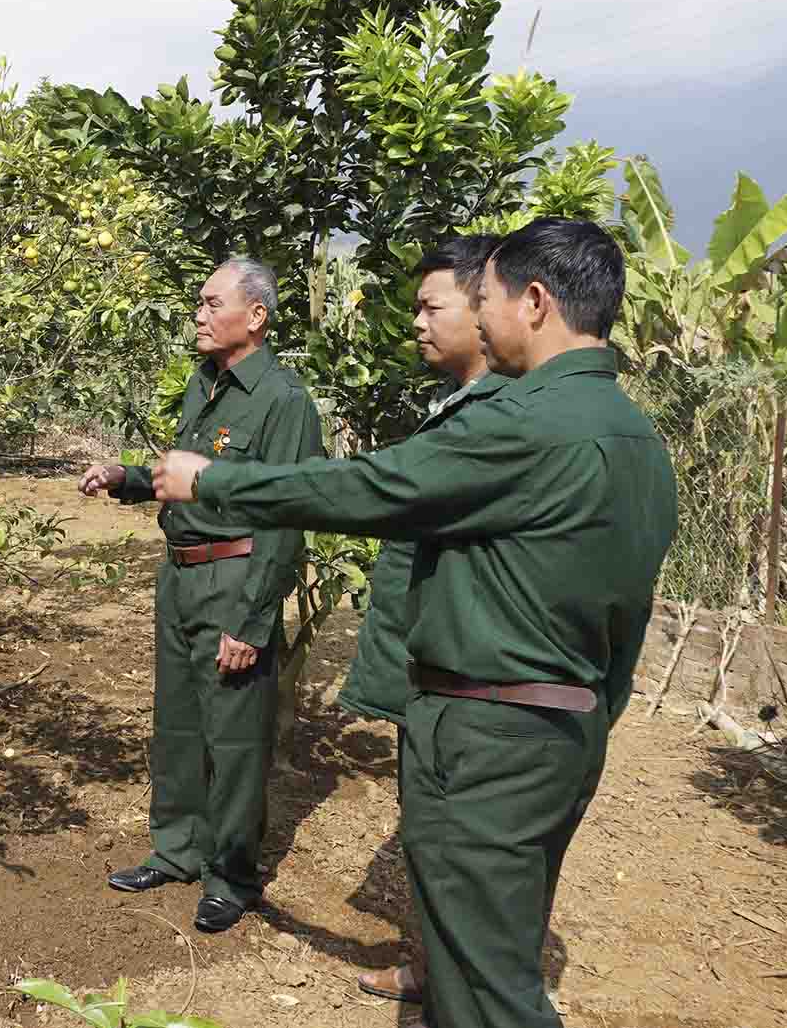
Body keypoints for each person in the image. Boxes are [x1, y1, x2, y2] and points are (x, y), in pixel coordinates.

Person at [149, 219, 677, 1028]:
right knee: (476, 955)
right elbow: (626, 620)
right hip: (557, 724)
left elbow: (371, 487)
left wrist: (217, 481)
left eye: (485, 296)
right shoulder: (635, 436)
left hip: (493, 730)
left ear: (534, 302)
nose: (468, 313)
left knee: (492, 989)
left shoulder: (528, 422)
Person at [78, 256, 324, 934]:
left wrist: (252, 618)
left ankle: (233, 875)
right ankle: (179, 848)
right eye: (199, 303)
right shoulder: (205, 384)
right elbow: (182, 476)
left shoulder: (283, 400)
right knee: (180, 723)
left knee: (237, 737)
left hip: (234, 579)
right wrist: (125, 475)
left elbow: (286, 515)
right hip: (181, 574)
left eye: (213, 303)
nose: (199, 314)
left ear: (256, 316)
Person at [335, 234, 503, 1005]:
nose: (417, 324)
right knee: (429, 835)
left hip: (472, 682)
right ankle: (432, 971)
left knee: (468, 851)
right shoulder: (453, 408)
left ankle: (468, 989)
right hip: (426, 667)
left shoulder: (504, 420)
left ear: (489, 304)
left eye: (432, 307)